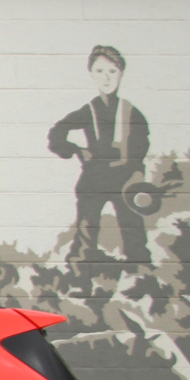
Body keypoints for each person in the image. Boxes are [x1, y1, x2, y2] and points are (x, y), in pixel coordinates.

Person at [48, 45, 151, 264]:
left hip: (125, 179)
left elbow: (142, 148)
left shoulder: (132, 112)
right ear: (91, 74)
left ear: (121, 74)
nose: (106, 78)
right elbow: (57, 132)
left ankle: (142, 278)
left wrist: (134, 174)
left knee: (134, 232)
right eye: (100, 71)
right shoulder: (89, 110)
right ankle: (80, 277)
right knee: (86, 232)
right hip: (94, 178)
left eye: (112, 71)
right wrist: (76, 151)